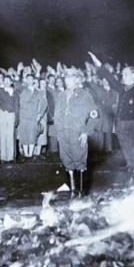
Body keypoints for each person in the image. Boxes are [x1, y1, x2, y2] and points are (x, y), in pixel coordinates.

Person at [90, 52, 134, 182]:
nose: (123, 76)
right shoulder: (123, 88)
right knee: (127, 151)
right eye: (123, 74)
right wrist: (98, 63)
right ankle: (131, 174)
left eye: (126, 74)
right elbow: (109, 77)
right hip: (121, 125)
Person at [54, 67, 99, 197]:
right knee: (67, 162)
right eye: (66, 77)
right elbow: (57, 115)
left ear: (77, 80)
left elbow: (94, 116)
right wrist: (59, 132)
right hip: (63, 134)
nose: (68, 80)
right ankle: (72, 192)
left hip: (77, 133)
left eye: (71, 77)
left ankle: (81, 194)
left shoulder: (85, 95)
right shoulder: (61, 95)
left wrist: (86, 132)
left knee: (80, 162)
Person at [0, 60, 19, 163]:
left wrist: (17, 118)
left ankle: (10, 158)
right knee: (2, 135)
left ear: (11, 82)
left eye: (8, 81)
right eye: (5, 81)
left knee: (10, 135)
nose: (6, 82)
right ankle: (3, 157)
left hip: (12, 115)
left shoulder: (15, 93)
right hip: (2, 114)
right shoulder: (0, 91)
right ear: (3, 82)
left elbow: (17, 107)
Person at [17, 74, 46, 161]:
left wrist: (39, 114)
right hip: (24, 117)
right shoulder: (22, 91)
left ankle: (30, 155)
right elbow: (22, 103)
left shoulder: (38, 92)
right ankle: (26, 155)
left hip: (34, 118)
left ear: (33, 81)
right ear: (26, 81)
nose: (29, 81)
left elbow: (44, 104)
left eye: (31, 79)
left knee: (32, 136)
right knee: (25, 136)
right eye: (28, 79)